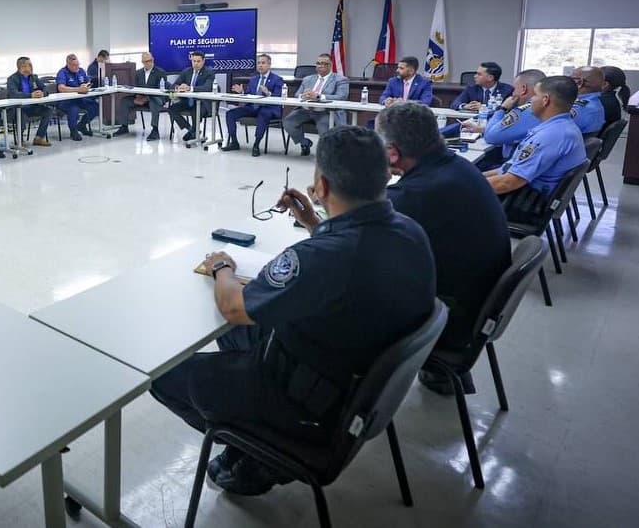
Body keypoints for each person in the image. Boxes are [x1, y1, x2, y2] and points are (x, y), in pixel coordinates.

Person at [151, 126, 435, 496]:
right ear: (386, 175)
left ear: (323, 186)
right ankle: (248, 436)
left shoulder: (322, 257)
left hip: (308, 403)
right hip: (355, 378)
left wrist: (223, 267)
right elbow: (350, 261)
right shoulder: (410, 230)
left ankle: (260, 455)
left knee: (164, 375)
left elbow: (234, 307)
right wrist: (315, 224)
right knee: (238, 335)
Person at [376, 102, 511, 395]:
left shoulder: (414, 194)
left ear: (393, 152)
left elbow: (353, 242)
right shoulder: (457, 166)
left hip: (448, 319)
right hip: (475, 306)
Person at [485, 75, 586, 198]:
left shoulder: (550, 136)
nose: (531, 100)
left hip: (521, 200)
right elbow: (507, 168)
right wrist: (474, 176)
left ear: (545, 100)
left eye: (535, 95)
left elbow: (508, 183)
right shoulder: (560, 126)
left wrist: (465, 185)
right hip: (523, 192)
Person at [280, 53, 350, 156]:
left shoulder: (340, 79)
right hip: (306, 110)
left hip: (326, 112)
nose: (320, 66)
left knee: (323, 126)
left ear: (330, 65)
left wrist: (318, 96)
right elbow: (297, 95)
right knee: (288, 122)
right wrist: (303, 96)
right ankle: (305, 143)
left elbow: (341, 96)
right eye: (318, 63)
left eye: (324, 63)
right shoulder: (308, 79)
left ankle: (326, 153)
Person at [475, 69, 546, 170]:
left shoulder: (525, 111)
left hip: (512, 167)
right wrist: (483, 129)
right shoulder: (545, 109)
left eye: (514, 89)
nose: (513, 93)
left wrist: (502, 108)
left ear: (523, 89)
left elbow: (490, 137)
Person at [223, 54, 287, 157]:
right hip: (252, 107)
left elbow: (280, 97)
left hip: (269, 108)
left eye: (263, 63)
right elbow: (249, 94)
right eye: (258, 63)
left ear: (269, 64)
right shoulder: (254, 79)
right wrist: (242, 91)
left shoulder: (277, 79)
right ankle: (234, 142)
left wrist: (268, 93)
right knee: (230, 114)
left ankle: (256, 145)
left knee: (263, 114)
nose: (260, 65)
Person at [6, 57, 55, 147]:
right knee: (21, 115)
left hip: (32, 107)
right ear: (21, 67)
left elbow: (45, 89)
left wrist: (42, 93)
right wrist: (30, 95)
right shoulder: (12, 79)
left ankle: (39, 137)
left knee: (48, 111)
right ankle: (20, 140)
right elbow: (14, 94)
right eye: (28, 65)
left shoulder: (34, 77)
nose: (31, 67)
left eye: (31, 65)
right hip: (18, 108)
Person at [167, 51, 215, 142]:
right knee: (172, 109)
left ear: (203, 61)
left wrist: (190, 88)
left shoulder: (209, 73)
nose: (196, 63)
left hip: (203, 103)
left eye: (198, 61)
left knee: (195, 110)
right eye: (194, 61)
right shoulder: (186, 71)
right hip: (187, 101)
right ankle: (190, 129)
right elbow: (173, 86)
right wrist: (179, 87)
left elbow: (207, 88)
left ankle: (193, 131)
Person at [122, 52, 168, 141]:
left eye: (150, 61)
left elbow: (161, 91)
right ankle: (124, 126)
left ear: (153, 60)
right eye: (145, 61)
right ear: (142, 62)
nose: (148, 63)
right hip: (140, 99)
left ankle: (155, 130)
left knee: (155, 102)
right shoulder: (138, 73)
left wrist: (146, 98)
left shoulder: (160, 72)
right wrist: (137, 97)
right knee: (125, 100)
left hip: (154, 99)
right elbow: (135, 87)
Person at [55, 54, 97, 140]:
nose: (77, 67)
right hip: (66, 101)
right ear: (68, 64)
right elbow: (61, 88)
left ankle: (82, 125)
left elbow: (87, 82)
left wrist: (86, 86)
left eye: (78, 64)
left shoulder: (81, 71)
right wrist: (78, 89)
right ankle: (73, 131)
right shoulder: (62, 72)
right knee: (73, 108)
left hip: (80, 99)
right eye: (74, 65)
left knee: (95, 106)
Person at [569, 66, 606, 135]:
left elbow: (553, 127)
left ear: (580, 82)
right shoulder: (594, 103)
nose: (568, 83)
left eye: (571, 79)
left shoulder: (580, 108)